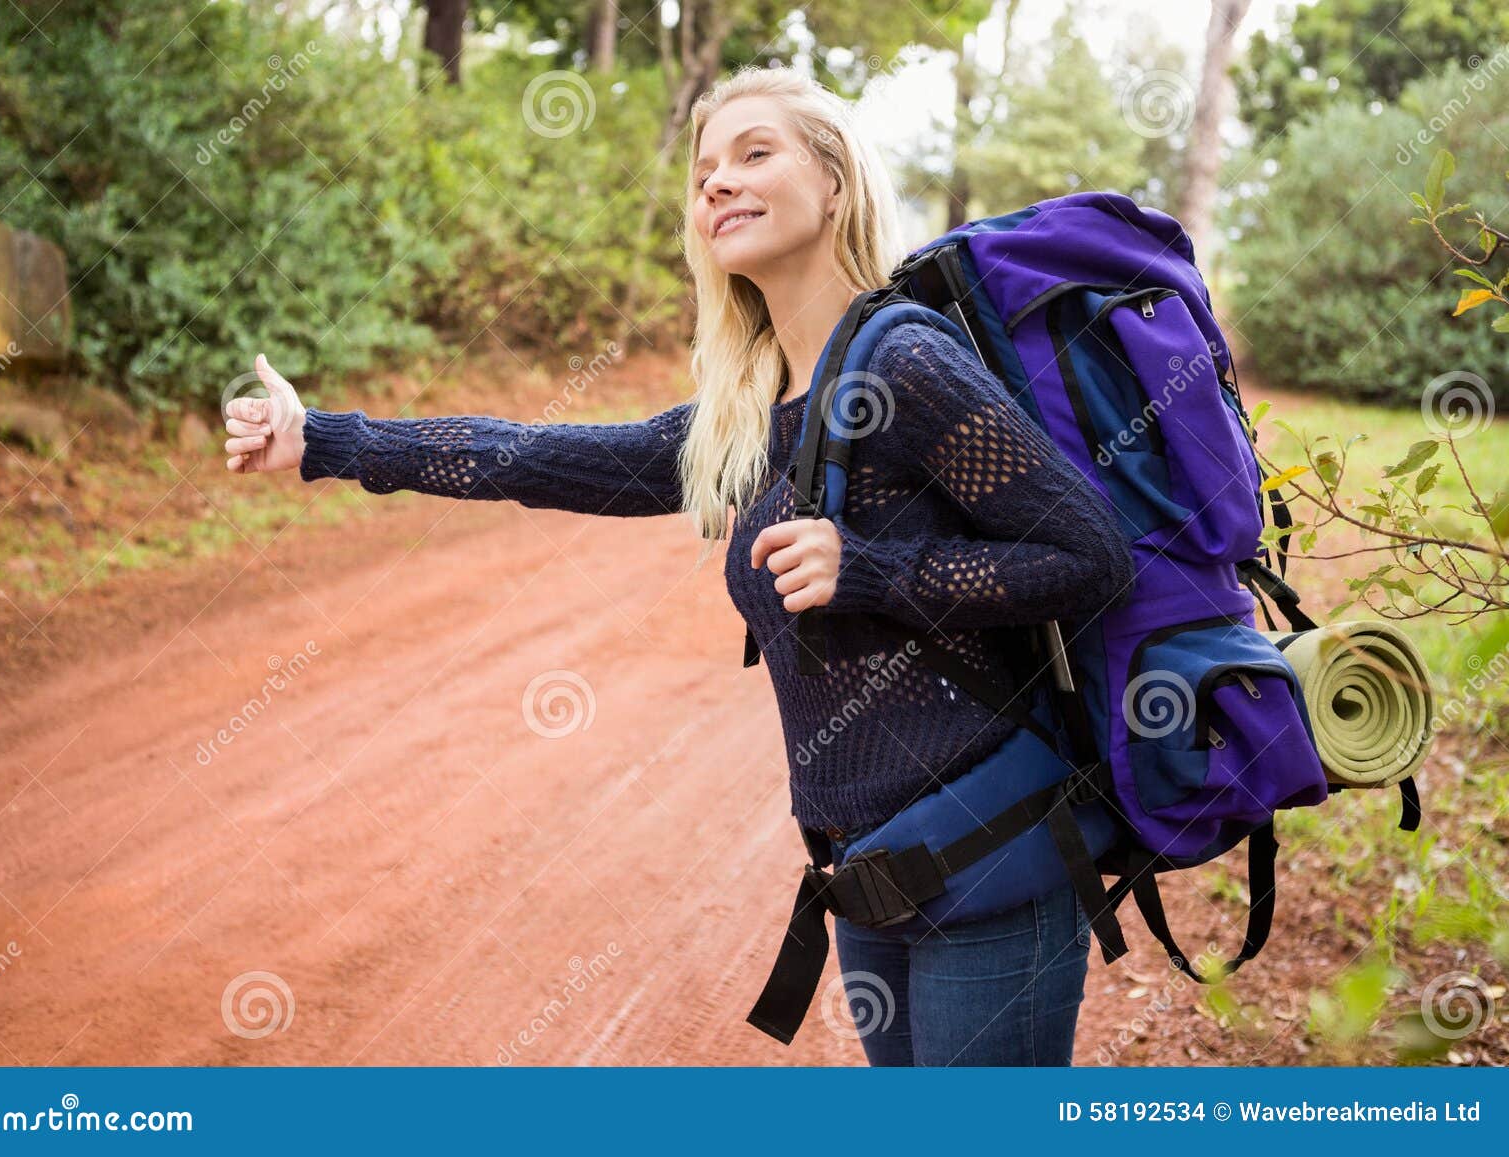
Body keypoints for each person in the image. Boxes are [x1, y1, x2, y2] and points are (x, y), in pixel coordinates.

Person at [221, 64, 1135, 1066]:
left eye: (754, 153)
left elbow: (1087, 557)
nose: (716, 182)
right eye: (704, 170)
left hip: (990, 860)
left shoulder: (904, 359)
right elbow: (533, 457)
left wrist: (871, 567)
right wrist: (327, 441)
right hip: (867, 875)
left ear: (833, 182)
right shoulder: (751, 409)